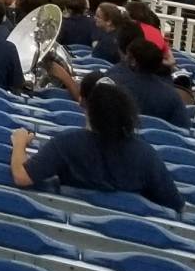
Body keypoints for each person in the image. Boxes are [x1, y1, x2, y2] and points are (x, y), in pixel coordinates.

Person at [10, 79, 182, 209]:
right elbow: (175, 205)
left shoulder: (67, 143)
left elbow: (22, 177)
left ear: (88, 109)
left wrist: (20, 142)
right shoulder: (146, 154)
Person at [105, 33, 195, 127]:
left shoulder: (112, 85)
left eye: (128, 55)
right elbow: (184, 129)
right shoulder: (171, 95)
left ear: (133, 61)